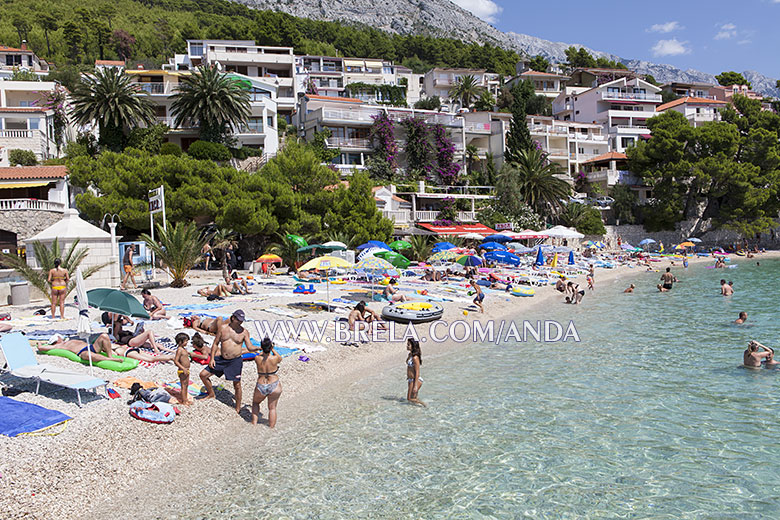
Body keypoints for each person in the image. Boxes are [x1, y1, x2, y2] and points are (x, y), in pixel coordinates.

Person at [200, 310, 253, 413]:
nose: (240, 322)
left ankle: (238, 407)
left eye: (242, 320)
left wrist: (259, 348)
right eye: (239, 320)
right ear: (233, 318)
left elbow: (249, 346)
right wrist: (211, 359)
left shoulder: (244, 332)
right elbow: (215, 343)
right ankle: (211, 394)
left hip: (235, 361)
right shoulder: (223, 329)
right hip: (222, 359)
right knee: (203, 375)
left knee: (237, 385)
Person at [251, 337, 283, 427]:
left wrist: (264, 349)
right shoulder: (275, 358)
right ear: (270, 347)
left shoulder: (257, 358)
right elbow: (280, 358)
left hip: (261, 383)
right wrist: (272, 349)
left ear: (262, 347)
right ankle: (271, 428)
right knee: (272, 408)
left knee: (255, 403)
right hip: (274, 383)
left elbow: (262, 354)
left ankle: (253, 425)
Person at [102, 312, 167, 354]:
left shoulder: (118, 327)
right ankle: (156, 350)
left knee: (157, 345)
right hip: (131, 342)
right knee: (149, 332)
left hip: (133, 340)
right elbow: (116, 324)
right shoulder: (115, 329)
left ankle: (171, 351)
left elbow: (120, 320)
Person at [41, 333, 123, 363]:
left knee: (104, 336)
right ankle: (110, 360)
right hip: (82, 352)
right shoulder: (58, 346)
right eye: (59, 337)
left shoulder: (67, 340)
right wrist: (39, 343)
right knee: (88, 355)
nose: (60, 337)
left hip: (91, 347)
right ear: (57, 340)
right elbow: (41, 348)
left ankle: (110, 356)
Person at [173, 332, 193, 405]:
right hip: (182, 370)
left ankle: (186, 399)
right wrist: (183, 368)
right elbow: (176, 361)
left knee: (186, 385)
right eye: (186, 341)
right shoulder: (179, 350)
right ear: (180, 342)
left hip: (186, 369)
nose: (187, 342)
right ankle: (184, 401)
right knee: (183, 386)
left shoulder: (183, 349)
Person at [406, 338, 425, 407]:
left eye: (408, 345)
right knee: (413, 399)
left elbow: (417, 372)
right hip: (410, 379)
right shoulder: (410, 355)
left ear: (413, 346)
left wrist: (415, 385)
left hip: (414, 380)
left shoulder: (415, 358)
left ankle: (424, 405)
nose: (407, 346)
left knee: (409, 399)